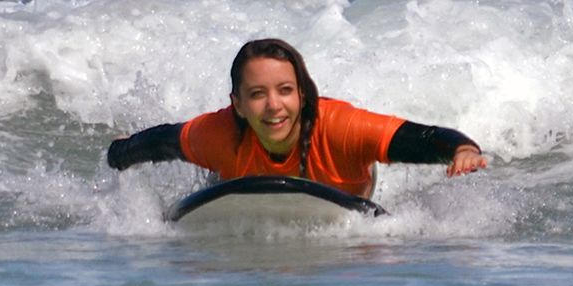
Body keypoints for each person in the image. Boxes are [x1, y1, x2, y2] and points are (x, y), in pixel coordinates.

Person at [107, 38, 487, 199]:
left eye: (285, 90)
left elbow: (424, 138)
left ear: (303, 96)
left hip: (345, 195)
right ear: (237, 104)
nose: (274, 106)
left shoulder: (341, 127)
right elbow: (162, 142)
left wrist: (463, 149)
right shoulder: (219, 132)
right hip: (242, 186)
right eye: (257, 94)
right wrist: (120, 153)